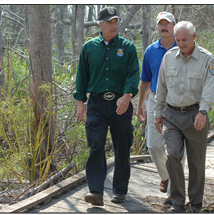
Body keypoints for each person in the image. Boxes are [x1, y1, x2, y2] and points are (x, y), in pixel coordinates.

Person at [73, 7, 140, 206]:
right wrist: (80, 102)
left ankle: (119, 190)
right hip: (97, 104)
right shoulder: (89, 47)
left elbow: (133, 74)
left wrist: (127, 95)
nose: (114, 25)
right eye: (109, 22)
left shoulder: (127, 47)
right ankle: (96, 192)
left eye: (116, 22)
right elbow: (82, 76)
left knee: (122, 147)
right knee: (96, 144)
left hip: (121, 103)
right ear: (100, 25)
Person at [154, 21, 214, 213]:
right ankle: (177, 202)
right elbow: (161, 86)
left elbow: (209, 88)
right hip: (172, 115)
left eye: (184, 40)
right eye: (177, 39)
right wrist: (158, 112)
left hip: (195, 114)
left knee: (196, 162)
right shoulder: (169, 57)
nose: (180, 44)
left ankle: (196, 204)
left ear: (194, 37)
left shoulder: (207, 59)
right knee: (173, 154)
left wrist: (203, 111)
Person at [136, 11, 185, 204]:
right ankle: (166, 176)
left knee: (177, 150)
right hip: (156, 100)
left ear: (174, 26)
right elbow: (145, 80)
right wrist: (140, 104)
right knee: (154, 145)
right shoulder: (150, 50)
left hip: (178, 103)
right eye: (160, 24)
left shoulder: (182, 46)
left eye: (167, 24)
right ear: (156, 27)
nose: (164, 27)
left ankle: (174, 193)